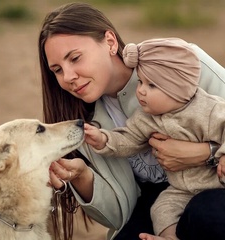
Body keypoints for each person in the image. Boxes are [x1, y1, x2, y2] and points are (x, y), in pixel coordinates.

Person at [38, 2, 225, 240]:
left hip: (215, 186)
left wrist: (206, 153)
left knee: (209, 214)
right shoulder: (84, 125)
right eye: (57, 70)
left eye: (75, 58)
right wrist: (84, 177)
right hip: (164, 200)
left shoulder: (179, 63)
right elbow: (118, 216)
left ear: (110, 42)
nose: (69, 77)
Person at [84, 37, 225, 240]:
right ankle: (169, 237)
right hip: (180, 189)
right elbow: (129, 139)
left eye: (151, 85)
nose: (140, 90)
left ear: (178, 88)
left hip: (217, 183)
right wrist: (105, 140)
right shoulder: (146, 118)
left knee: (209, 215)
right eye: (141, 81)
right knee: (161, 207)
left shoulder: (209, 109)